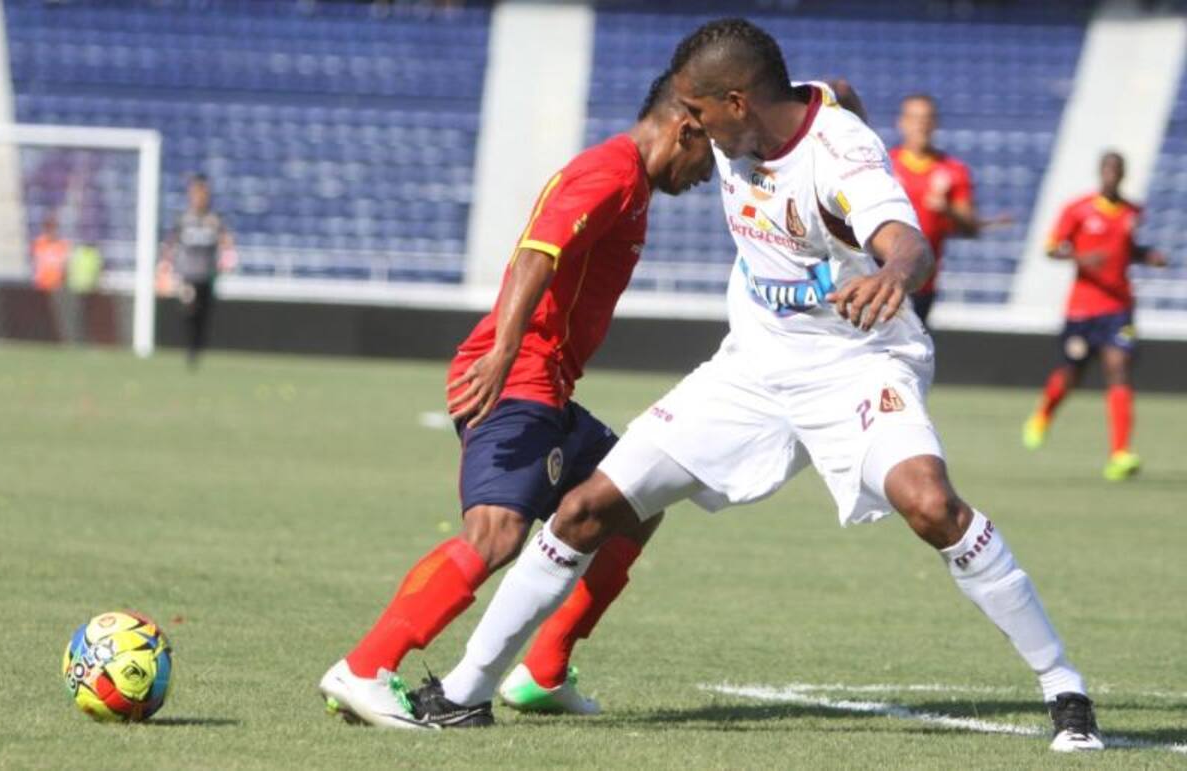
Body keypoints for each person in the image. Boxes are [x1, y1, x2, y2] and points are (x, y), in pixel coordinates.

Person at [408, 19, 1104, 754]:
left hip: (859, 364)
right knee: (586, 508)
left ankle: (1065, 687)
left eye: (697, 112)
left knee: (930, 503)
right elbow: (838, 92)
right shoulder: (765, 118)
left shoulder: (842, 155)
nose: (686, 126)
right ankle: (463, 690)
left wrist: (893, 274)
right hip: (751, 368)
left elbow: (908, 241)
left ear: (736, 103)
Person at [317, 70, 715, 729]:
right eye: (710, 156)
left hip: (549, 384)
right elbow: (540, 251)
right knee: (497, 533)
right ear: (686, 130)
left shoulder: (633, 184)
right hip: (517, 372)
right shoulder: (612, 171)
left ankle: (543, 671)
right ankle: (365, 665)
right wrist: (503, 352)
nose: (708, 175)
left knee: (636, 502)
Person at [1022, 151, 1167, 480]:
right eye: (1108, 170)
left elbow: (1128, 249)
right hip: (1082, 308)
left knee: (1119, 370)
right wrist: (1081, 257)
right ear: (1100, 173)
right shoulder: (1078, 209)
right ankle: (1043, 414)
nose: (1112, 175)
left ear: (1123, 175)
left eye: (1118, 170)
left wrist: (1148, 255)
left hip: (1118, 307)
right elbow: (1051, 247)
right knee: (1072, 373)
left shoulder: (1132, 212)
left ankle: (1119, 453)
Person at [889, 94, 1010, 324]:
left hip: (922, 281)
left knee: (910, 352)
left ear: (935, 123)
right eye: (914, 118)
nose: (920, 125)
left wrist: (947, 210)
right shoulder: (884, 164)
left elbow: (970, 227)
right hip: (880, 274)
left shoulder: (953, 170)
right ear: (901, 122)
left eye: (926, 118)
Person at [161, 174, 234, 367]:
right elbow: (171, 243)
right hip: (187, 275)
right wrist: (166, 264)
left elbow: (226, 242)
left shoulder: (214, 220)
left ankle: (197, 349)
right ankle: (190, 349)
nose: (200, 197)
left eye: (203, 193)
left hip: (207, 275)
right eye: (196, 193)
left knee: (204, 315)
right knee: (189, 309)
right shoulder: (184, 219)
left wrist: (228, 259)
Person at [31, 213, 70, 292]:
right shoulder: (38, 243)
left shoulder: (63, 245)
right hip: (41, 286)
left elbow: (64, 268)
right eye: (49, 226)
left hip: (57, 287)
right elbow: (36, 265)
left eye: (53, 226)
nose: (51, 230)